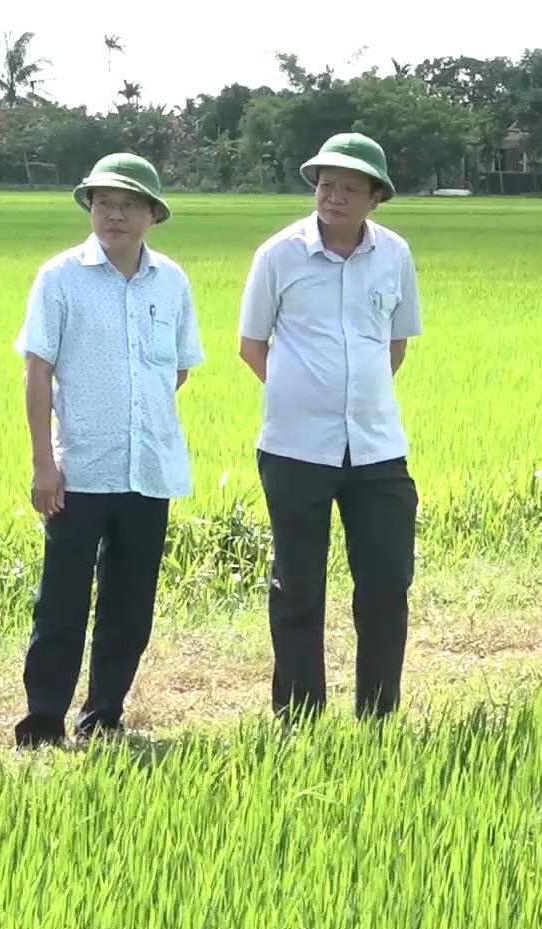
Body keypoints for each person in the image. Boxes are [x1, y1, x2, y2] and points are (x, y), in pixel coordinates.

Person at [13, 152, 203, 748]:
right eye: (102, 202)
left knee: (130, 606)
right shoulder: (60, 277)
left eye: (127, 204)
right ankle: (42, 725)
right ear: (90, 209)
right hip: (80, 471)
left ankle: (103, 717)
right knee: (61, 605)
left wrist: (137, 411)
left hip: (149, 470)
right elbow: (38, 370)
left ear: (152, 214)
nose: (114, 213)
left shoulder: (170, 281)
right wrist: (46, 463)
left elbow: (178, 368)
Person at [237, 132, 423, 722]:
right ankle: (299, 718)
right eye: (324, 184)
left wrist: (353, 400)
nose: (333, 195)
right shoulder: (278, 255)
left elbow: (395, 343)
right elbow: (251, 344)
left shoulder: (395, 254)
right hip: (295, 449)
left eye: (348, 187)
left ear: (375, 196)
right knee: (297, 588)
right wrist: (305, 396)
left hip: (376, 448)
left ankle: (378, 713)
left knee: (387, 584)